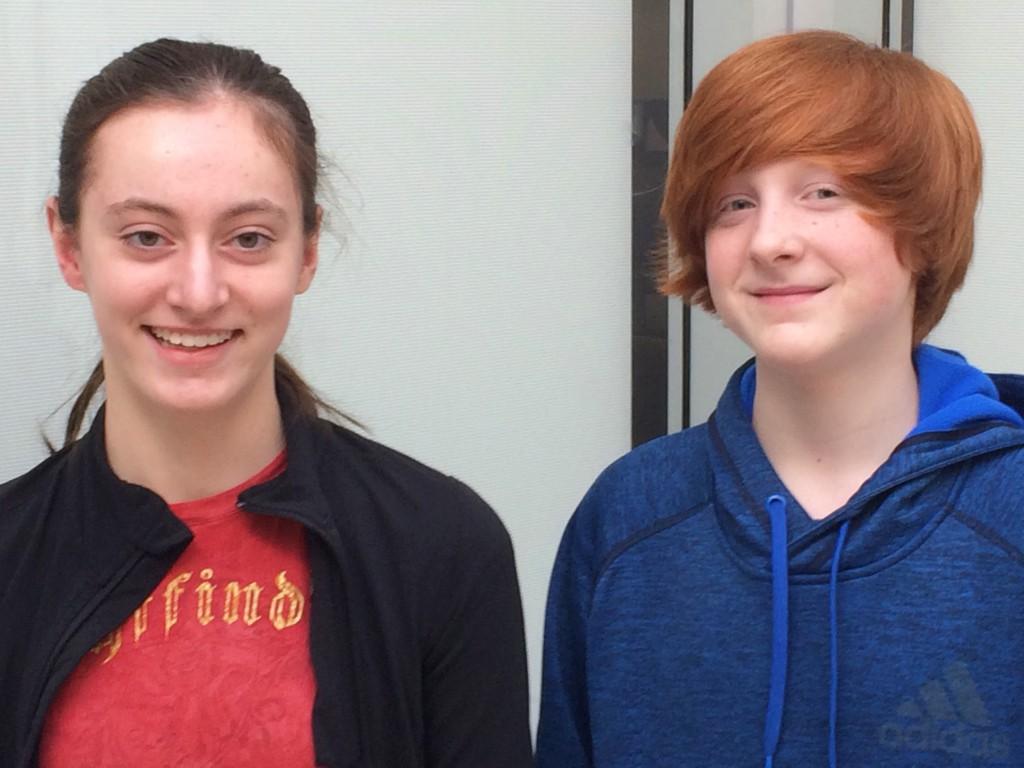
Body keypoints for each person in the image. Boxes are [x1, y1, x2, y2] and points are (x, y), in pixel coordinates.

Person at [0, 38, 532, 768]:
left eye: (248, 238)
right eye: (146, 237)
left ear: (306, 251)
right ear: (68, 246)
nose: (197, 291)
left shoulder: (443, 549)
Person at [537, 29, 1024, 767]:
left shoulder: (1010, 514)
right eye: (734, 203)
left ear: (923, 230)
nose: (770, 240)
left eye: (822, 192)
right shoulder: (627, 518)